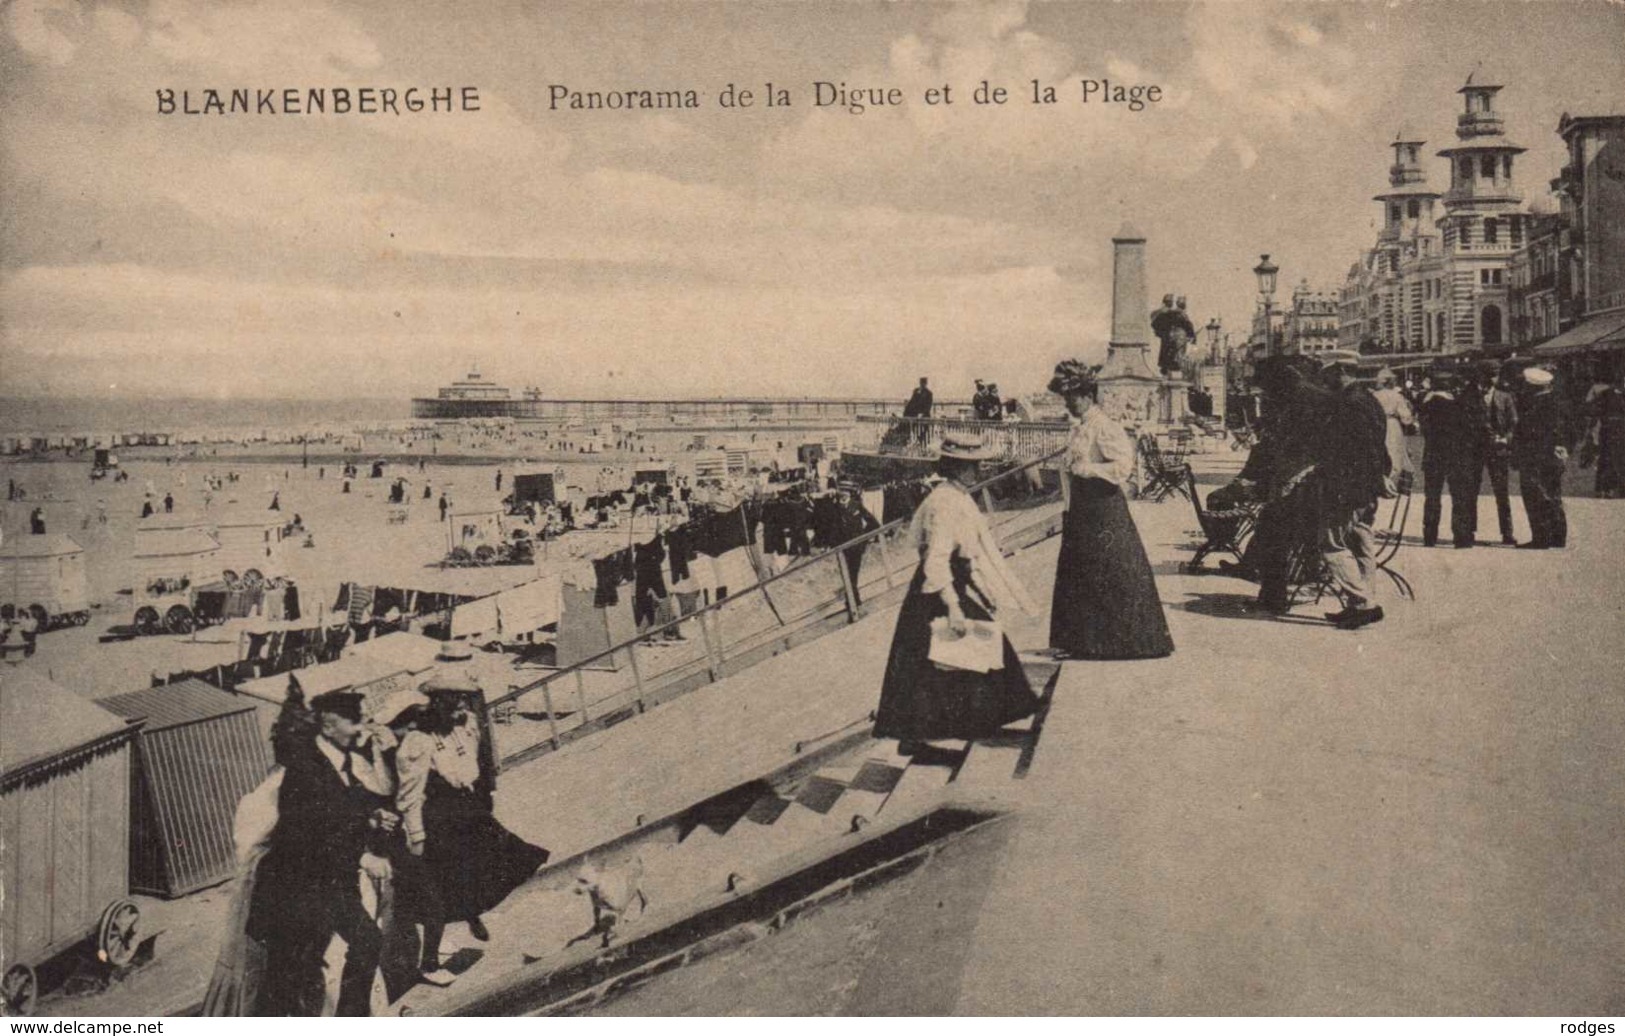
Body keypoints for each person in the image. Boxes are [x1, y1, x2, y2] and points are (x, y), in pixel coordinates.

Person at [874, 432, 1040, 748]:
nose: (978, 471)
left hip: (950, 582)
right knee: (942, 659)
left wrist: (982, 587)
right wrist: (953, 605)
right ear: (956, 468)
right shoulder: (945, 503)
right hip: (937, 589)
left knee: (947, 660)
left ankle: (951, 729)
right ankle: (932, 735)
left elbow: (967, 553)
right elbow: (936, 560)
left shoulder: (956, 497)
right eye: (972, 466)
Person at [247, 691, 394, 1016]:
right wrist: (362, 857)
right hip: (297, 889)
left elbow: (348, 800)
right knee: (289, 978)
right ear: (328, 726)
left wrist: (374, 814)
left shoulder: (338, 762)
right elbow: (305, 836)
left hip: (328, 884)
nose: (360, 728)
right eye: (353, 721)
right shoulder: (306, 770)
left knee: (364, 943)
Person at [394, 674, 548, 955]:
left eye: (463, 702)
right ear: (437, 703)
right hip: (439, 816)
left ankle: (473, 912)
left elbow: (476, 761)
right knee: (446, 880)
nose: (461, 708)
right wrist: (416, 835)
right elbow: (409, 796)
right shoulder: (417, 742)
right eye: (454, 702)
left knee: (507, 855)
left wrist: (484, 794)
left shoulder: (465, 725)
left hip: (468, 805)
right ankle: (437, 947)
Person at [1046, 360, 1174, 659]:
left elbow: (1123, 467)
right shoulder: (1082, 427)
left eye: (1072, 398)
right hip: (1082, 509)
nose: (1068, 404)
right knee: (1081, 574)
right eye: (1066, 398)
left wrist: (1086, 469)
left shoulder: (1104, 427)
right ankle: (1082, 642)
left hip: (1104, 509)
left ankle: (1118, 642)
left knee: (1107, 574)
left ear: (1088, 396)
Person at [1513, 367, 1571, 549]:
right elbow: (1571, 430)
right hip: (1553, 457)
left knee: (1535, 495)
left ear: (1533, 387)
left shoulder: (1534, 407)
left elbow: (1525, 433)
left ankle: (1541, 537)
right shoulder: (1559, 403)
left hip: (1534, 457)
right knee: (1554, 494)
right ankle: (1558, 536)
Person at [1418, 372, 1477, 549]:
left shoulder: (1426, 405)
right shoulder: (1458, 404)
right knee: (1459, 496)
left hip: (1433, 455)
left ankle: (1430, 536)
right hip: (1456, 456)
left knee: (1432, 497)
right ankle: (1461, 536)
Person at [1481, 367, 1520, 542]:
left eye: (1493, 376)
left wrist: (1506, 438)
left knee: (1502, 492)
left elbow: (1514, 422)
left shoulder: (1505, 397)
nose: (1490, 380)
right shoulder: (1472, 397)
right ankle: (1467, 532)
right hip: (1477, 448)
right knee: (1470, 491)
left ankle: (1507, 532)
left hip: (1499, 448)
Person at [1371, 368, 1416, 497]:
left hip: (1377, 425)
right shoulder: (1397, 396)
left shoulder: (1374, 395)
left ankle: (1381, 483)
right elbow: (1406, 417)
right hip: (1392, 425)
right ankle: (1393, 485)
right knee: (1395, 453)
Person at [835, 481, 880, 607]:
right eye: (840, 491)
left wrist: (864, 538)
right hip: (842, 548)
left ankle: (852, 600)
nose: (842, 494)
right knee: (846, 574)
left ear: (849, 493)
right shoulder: (834, 507)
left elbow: (873, 522)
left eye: (845, 491)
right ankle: (853, 600)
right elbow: (830, 528)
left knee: (853, 573)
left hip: (856, 546)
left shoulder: (856, 505)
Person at [1584, 365, 1625, 498]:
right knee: (1614, 459)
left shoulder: (1605, 394)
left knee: (1606, 458)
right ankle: (1611, 488)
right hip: (1616, 429)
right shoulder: (1615, 394)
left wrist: (1592, 430)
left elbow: (1594, 411)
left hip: (1607, 429)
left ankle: (1603, 488)